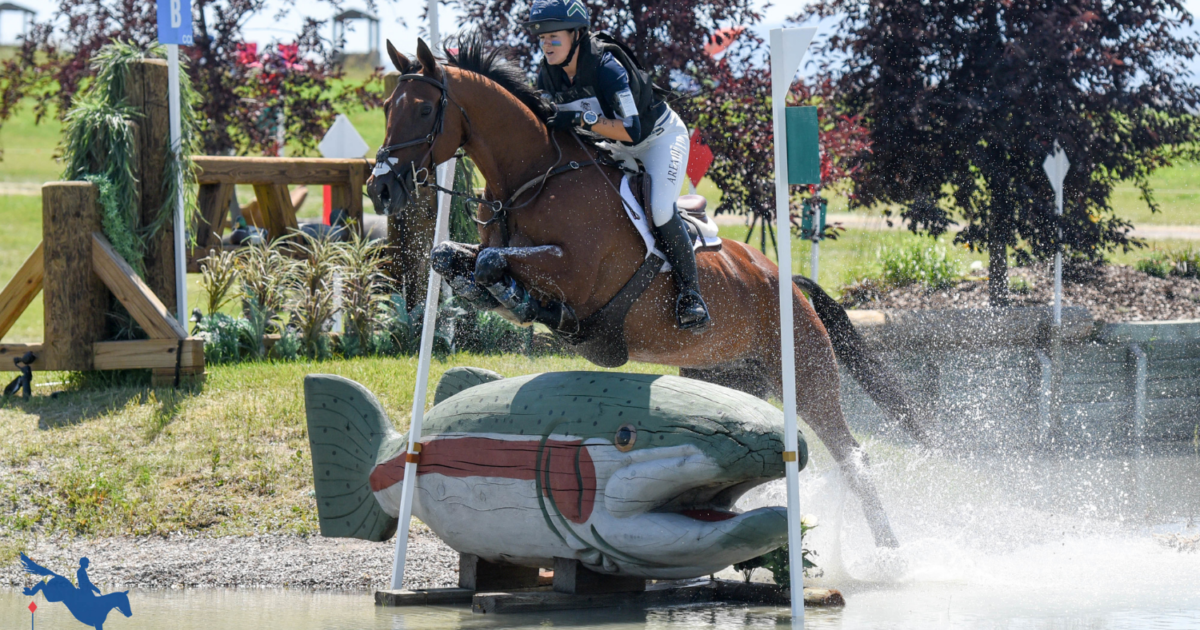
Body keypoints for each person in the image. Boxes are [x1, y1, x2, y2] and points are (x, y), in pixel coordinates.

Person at [525, 0, 711, 331]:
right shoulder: (547, 74)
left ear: (576, 35)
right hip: (613, 145)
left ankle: (691, 295)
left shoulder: (607, 68)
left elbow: (632, 129)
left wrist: (582, 117)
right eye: (541, 39)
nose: (546, 45)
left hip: (657, 139)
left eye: (553, 37)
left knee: (660, 208)